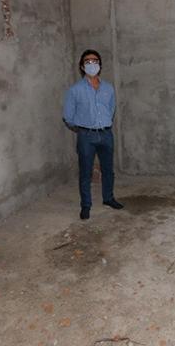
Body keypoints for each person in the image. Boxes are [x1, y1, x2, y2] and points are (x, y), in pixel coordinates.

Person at [63, 49, 124, 220]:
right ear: (82, 66)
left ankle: (108, 198)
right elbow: (68, 116)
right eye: (88, 62)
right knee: (86, 172)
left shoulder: (108, 88)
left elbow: (111, 108)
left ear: (100, 65)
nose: (92, 64)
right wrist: (83, 128)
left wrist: (103, 123)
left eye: (95, 61)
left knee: (108, 170)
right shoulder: (75, 90)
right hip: (86, 136)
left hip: (106, 134)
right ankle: (86, 205)